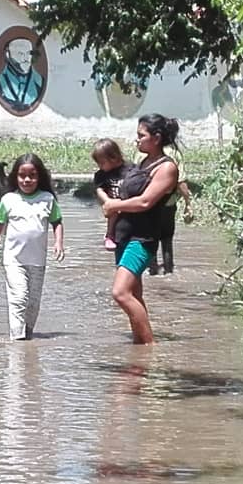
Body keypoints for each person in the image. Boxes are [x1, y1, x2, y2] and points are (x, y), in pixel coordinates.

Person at [101, 114, 181, 344]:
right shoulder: (143, 162)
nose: (136, 140)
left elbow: (146, 202)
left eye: (141, 135)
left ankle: (149, 350)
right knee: (134, 294)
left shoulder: (166, 168)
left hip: (142, 238)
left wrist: (115, 205)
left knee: (120, 293)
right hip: (124, 235)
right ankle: (140, 348)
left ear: (156, 138)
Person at [0, 153, 65, 340]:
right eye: (22, 175)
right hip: (14, 260)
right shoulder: (8, 200)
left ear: (40, 177)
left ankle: (27, 334)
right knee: (18, 298)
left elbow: (57, 222)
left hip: (38, 261)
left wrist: (59, 243)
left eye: (32, 175)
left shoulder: (47, 199)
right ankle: (17, 339)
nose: (27, 180)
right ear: (15, 177)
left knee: (33, 303)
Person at [91, 138, 135, 251]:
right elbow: (99, 189)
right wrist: (108, 201)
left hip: (129, 202)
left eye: (102, 163)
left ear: (114, 157)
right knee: (114, 212)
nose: (100, 166)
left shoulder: (131, 169)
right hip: (113, 203)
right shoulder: (101, 175)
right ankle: (109, 235)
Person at [149, 175, 193, 276]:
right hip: (168, 206)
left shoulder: (142, 159)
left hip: (148, 205)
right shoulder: (173, 159)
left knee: (150, 240)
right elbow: (181, 183)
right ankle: (168, 271)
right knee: (167, 240)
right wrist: (188, 203)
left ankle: (152, 271)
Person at [0, 37, 44, 113]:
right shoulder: (0, 81)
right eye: (20, 54)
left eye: (29, 53)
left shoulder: (39, 81)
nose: (26, 58)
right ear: (8, 55)